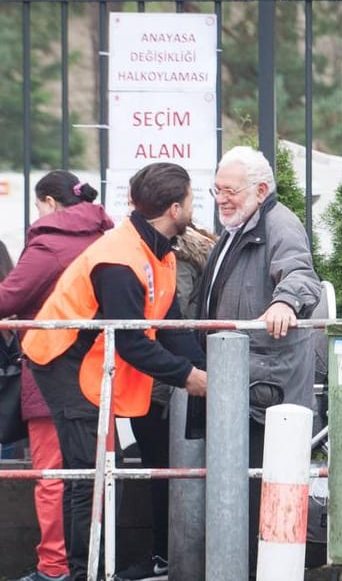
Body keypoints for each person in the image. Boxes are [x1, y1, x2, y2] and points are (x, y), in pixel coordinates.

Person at [22, 163, 208, 581]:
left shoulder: (158, 250)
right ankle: (82, 572)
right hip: (63, 361)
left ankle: (81, 570)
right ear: (175, 208)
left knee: (98, 470)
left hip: (84, 361)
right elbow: (133, 343)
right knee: (94, 473)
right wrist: (188, 376)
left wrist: (209, 369)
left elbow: (168, 325)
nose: (196, 205)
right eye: (193, 198)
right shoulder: (120, 260)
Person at [194, 145, 322, 576]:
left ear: (261, 189)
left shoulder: (279, 225)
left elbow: (302, 275)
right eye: (216, 190)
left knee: (253, 490)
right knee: (241, 487)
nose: (221, 199)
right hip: (240, 379)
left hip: (262, 386)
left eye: (229, 190)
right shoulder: (237, 227)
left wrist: (285, 302)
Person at [0, 171, 113, 581]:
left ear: (48, 202)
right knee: (98, 473)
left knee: (53, 475)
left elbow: (9, 296)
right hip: (103, 372)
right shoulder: (107, 237)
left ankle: (54, 565)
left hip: (51, 371)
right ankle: (96, 562)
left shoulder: (48, 244)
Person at [116, 224, 216, 581]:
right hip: (183, 378)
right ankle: (172, 555)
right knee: (175, 473)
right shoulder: (203, 256)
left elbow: (168, 326)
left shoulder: (171, 263)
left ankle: (163, 556)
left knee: (161, 473)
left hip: (163, 384)